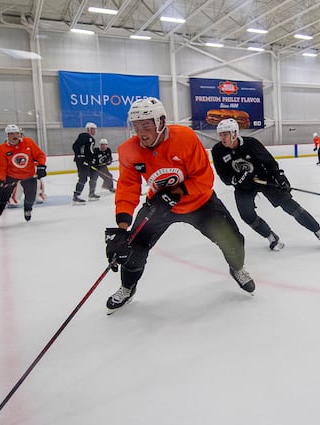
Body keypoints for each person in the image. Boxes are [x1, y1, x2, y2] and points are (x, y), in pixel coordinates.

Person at [104, 97, 254, 313]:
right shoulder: (129, 150)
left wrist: (176, 192)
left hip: (200, 203)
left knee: (234, 242)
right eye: (136, 125)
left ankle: (237, 268)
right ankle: (127, 288)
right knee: (132, 249)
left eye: (146, 124)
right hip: (159, 207)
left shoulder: (184, 138)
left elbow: (204, 178)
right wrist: (122, 228)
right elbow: (127, 187)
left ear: (161, 122)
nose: (140, 131)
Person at [211, 118, 320, 252]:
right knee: (246, 215)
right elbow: (224, 176)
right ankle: (271, 237)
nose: (222, 137)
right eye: (221, 134)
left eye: (225, 134)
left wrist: (280, 177)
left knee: (290, 205)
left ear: (234, 133)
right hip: (244, 186)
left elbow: (270, 162)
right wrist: (238, 178)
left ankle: (319, 231)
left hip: (264, 179)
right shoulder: (218, 151)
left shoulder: (251, 143)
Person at [0, 124, 47, 228]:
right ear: (7, 135)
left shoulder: (28, 142)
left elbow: (40, 155)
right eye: (12, 134)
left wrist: (41, 166)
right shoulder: (2, 149)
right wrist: (0, 180)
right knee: (3, 197)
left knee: (31, 197)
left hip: (28, 174)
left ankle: (28, 209)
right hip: (11, 175)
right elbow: (1, 166)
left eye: (17, 133)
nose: (15, 135)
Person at [71, 122, 99, 203]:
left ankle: (91, 193)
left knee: (94, 175)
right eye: (93, 129)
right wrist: (83, 158)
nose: (95, 131)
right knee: (83, 177)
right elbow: (78, 147)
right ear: (89, 129)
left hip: (85, 161)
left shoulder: (87, 137)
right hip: (83, 161)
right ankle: (76, 196)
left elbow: (87, 150)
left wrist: (89, 159)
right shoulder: (86, 137)